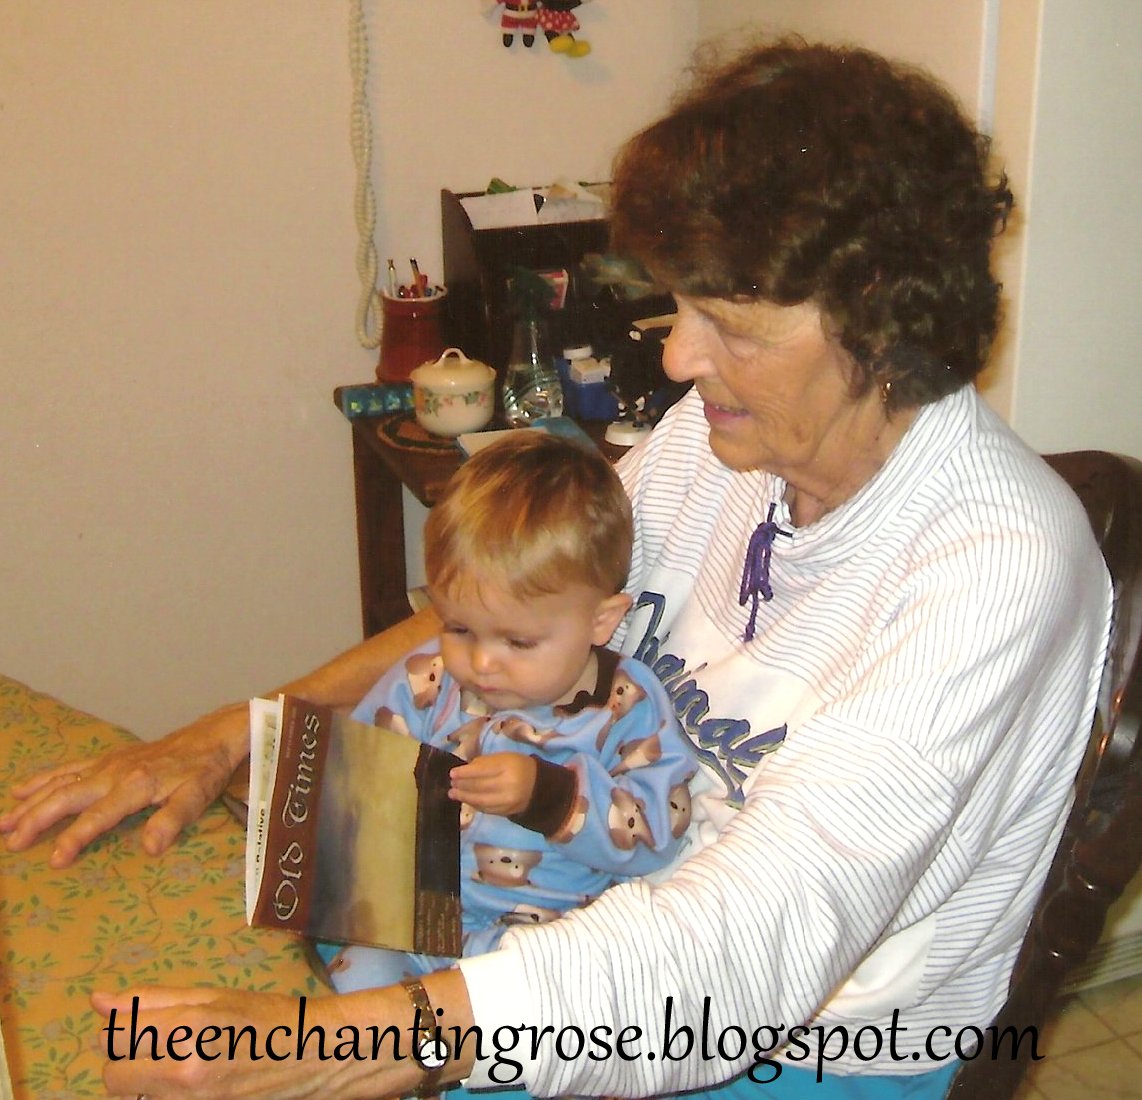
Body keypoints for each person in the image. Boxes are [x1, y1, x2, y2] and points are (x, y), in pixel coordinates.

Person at [1, 36, 1114, 1100]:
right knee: (173, 915)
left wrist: (339, 1051)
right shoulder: (719, 440)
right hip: (580, 902)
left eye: (729, 324)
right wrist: (224, 739)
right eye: (680, 307)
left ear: (882, 325)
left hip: (795, 1040)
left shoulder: (996, 568)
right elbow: (518, 606)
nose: (678, 355)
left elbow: (750, 944)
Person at [313, 431, 695, 992]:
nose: (482, 662)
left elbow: (659, 834)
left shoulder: (626, 707)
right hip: (413, 923)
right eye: (459, 628)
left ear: (601, 621)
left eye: (518, 642)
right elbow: (361, 773)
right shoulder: (427, 680)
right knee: (349, 996)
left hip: (541, 949)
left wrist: (549, 796)